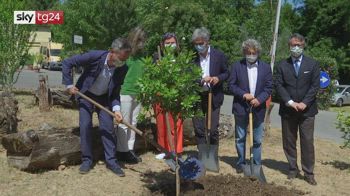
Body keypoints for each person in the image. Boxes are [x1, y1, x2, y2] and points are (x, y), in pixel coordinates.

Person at [62, 38, 131, 177]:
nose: (122, 62)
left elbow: (115, 91)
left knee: (108, 127)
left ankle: (111, 162)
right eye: (120, 58)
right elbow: (67, 62)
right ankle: (87, 160)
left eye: (125, 59)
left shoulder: (122, 68)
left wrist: (117, 110)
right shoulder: (95, 56)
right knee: (85, 125)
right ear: (112, 52)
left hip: (104, 98)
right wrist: (69, 85)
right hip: (86, 94)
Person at [275, 33, 320, 185]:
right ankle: (292, 168)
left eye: (298, 45)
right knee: (289, 141)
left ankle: (308, 172)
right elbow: (279, 85)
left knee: (307, 142)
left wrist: (304, 103)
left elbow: (315, 86)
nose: (295, 48)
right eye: (293, 45)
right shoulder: (282, 65)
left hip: (307, 111)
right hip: (288, 110)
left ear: (303, 45)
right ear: (289, 46)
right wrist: (290, 102)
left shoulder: (312, 64)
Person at [228, 39, 273, 173]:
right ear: (244, 53)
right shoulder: (237, 66)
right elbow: (231, 85)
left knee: (257, 139)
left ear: (258, 53)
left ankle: (256, 164)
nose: (251, 55)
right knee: (240, 137)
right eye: (248, 52)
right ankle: (241, 162)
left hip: (258, 108)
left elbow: (269, 87)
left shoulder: (265, 67)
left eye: (254, 53)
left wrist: (259, 99)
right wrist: (243, 94)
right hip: (241, 107)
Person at [191, 27, 229, 161]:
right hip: (197, 97)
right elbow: (188, 76)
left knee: (212, 129)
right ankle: (202, 156)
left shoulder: (219, 55)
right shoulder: (192, 58)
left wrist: (217, 78)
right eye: (196, 44)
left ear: (207, 42)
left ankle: (212, 157)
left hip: (214, 95)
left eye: (201, 43)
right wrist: (201, 80)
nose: (198, 46)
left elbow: (226, 73)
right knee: (199, 127)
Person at [116, 27, 146, 164]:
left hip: (138, 93)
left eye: (143, 40)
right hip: (126, 92)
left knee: (133, 123)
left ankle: (130, 149)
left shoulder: (143, 57)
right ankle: (122, 151)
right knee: (124, 122)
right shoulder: (126, 56)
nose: (142, 43)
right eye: (139, 40)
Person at [153, 32, 184, 156]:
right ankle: (164, 149)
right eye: (167, 43)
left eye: (172, 43)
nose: (170, 45)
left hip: (176, 94)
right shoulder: (157, 57)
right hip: (160, 95)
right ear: (162, 44)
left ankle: (177, 149)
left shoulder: (181, 58)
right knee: (162, 123)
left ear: (177, 44)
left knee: (177, 122)